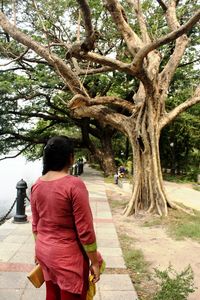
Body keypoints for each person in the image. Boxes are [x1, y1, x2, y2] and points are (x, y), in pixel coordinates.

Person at [30, 136, 102, 300]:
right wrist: (95, 262)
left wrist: (38, 252)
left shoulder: (37, 185)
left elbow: (36, 225)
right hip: (68, 260)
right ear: (70, 157)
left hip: (44, 253)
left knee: (52, 295)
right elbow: (86, 232)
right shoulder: (74, 185)